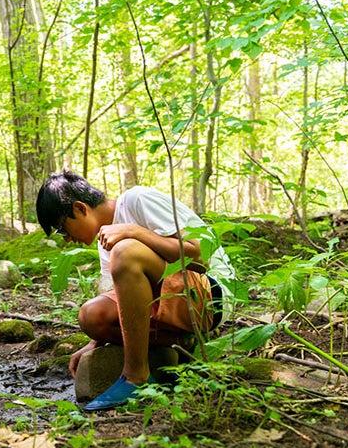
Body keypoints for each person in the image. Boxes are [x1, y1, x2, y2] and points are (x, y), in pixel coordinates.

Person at [36, 170, 235, 411]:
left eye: (62, 230)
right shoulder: (104, 241)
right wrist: (95, 342)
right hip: (171, 300)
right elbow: (123, 303)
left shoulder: (137, 200)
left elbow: (199, 255)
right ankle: (180, 344)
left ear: (80, 208)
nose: (67, 240)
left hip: (210, 294)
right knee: (92, 316)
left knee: (125, 251)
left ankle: (136, 376)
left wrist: (135, 232)